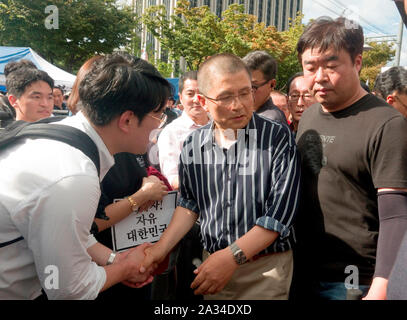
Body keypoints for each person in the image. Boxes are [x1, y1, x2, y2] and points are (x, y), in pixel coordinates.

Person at [0, 52, 172, 299]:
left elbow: (71, 234)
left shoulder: (62, 135)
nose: (159, 126)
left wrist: (115, 259)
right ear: (127, 120)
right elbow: (68, 289)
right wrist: (126, 268)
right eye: (158, 116)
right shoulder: (73, 176)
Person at [141, 53, 301, 300]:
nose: (238, 105)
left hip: (264, 270)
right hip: (211, 264)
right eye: (226, 97)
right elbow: (189, 204)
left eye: (245, 93)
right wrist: (159, 250)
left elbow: (278, 216)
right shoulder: (194, 143)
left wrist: (232, 257)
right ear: (204, 102)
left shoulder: (277, 137)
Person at [293, 16, 407, 300]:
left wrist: (382, 285)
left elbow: (395, 213)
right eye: (310, 67)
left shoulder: (387, 124)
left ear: (357, 62)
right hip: (303, 268)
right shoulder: (308, 117)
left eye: (331, 66)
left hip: (356, 278)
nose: (319, 77)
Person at [157, 71, 209, 190]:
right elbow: (173, 180)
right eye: (190, 94)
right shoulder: (171, 133)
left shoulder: (221, 126)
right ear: (181, 97)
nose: (197, 99)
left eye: (201, 93)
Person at [242, 50, 287, 123]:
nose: (246, 92)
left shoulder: (272, 121)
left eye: (253, 86)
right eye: (243, 86)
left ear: (272, 85)